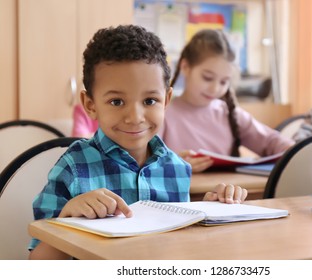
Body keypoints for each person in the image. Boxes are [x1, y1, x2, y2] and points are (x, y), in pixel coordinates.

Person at [29, 25, 248, 260]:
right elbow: (38, 263)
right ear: (90, 104)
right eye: (116, 102)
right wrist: (66, 219)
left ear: (166, 100)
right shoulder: (73, 167)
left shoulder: (176, 168)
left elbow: (179, 252)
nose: (135, 117)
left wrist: (208, 213)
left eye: (150, 100)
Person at [158, 29, 294, 173]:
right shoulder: (163, 114)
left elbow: (271, 141)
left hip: (227, 193)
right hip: (183, 193)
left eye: (224, 82)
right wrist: (171, 164)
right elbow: (144, 162)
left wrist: (295, 151)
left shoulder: (229, 113)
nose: (215, 88)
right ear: (185, 67)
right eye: (207, 78)